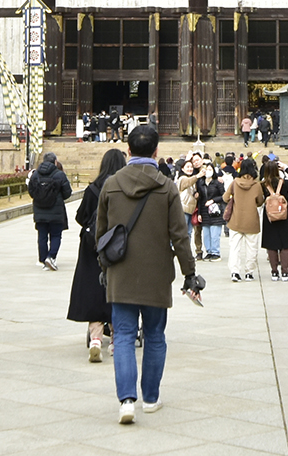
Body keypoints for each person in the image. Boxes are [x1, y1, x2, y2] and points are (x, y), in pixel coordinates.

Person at [96, 123, 202, 424]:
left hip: (121, 272)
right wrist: (189, 272)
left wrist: (105, 267)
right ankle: (151, 397)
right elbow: (180, 235)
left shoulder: (111, 184)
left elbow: (100, 234)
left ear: (128, 150)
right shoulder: (166, 186)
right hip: (157, 273)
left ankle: (126, 401)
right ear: (157, 152)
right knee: (155, 335)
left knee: (125, 336)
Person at [70, 148, 127, 362]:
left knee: (94, 290)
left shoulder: (93, 188)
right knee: (116, 291)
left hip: (92, 246)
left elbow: (80, 217)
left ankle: (95, 339)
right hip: (117, 246)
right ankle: (114, 340)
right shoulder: (124, 188)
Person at [28, 151, 72, 270]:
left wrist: (39, 198)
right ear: (55, 162)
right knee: (56, 235)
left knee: (42, 236)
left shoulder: (35, 175)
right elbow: (67, 192)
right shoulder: (59, 175)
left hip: (39, 210)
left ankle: (43, 260)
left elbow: (31, 191)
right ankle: (51, 257)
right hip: (56, 211)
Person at [259, 160, 288, 281]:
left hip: (270, 217)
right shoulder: (284, 183)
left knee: (272, 245)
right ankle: (285, 272)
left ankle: (274, 272)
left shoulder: (263, 185)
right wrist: (286, 168)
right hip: (284, 216)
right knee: (284, 245)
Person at [225, 162, 265, 282]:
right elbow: (260, 201)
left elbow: (225, 198)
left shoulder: (234, 183)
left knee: (234, 248)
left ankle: (235, 272)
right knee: (252, 248)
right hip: (251, 220)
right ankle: (249, 272)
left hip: (236, 220)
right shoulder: (256, 185)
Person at [197, 163, 226, 260]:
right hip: (205, 211)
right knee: (206, 234)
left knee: (214, 234)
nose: (208, 171)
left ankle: (215, 252)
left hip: (215, 211)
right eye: (206, 169)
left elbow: (223, 196)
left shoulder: (217, 182)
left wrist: (213, 200)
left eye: (210, 169)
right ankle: (209, 251)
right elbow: (200, 199)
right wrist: (199, 213)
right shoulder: (201, 183)